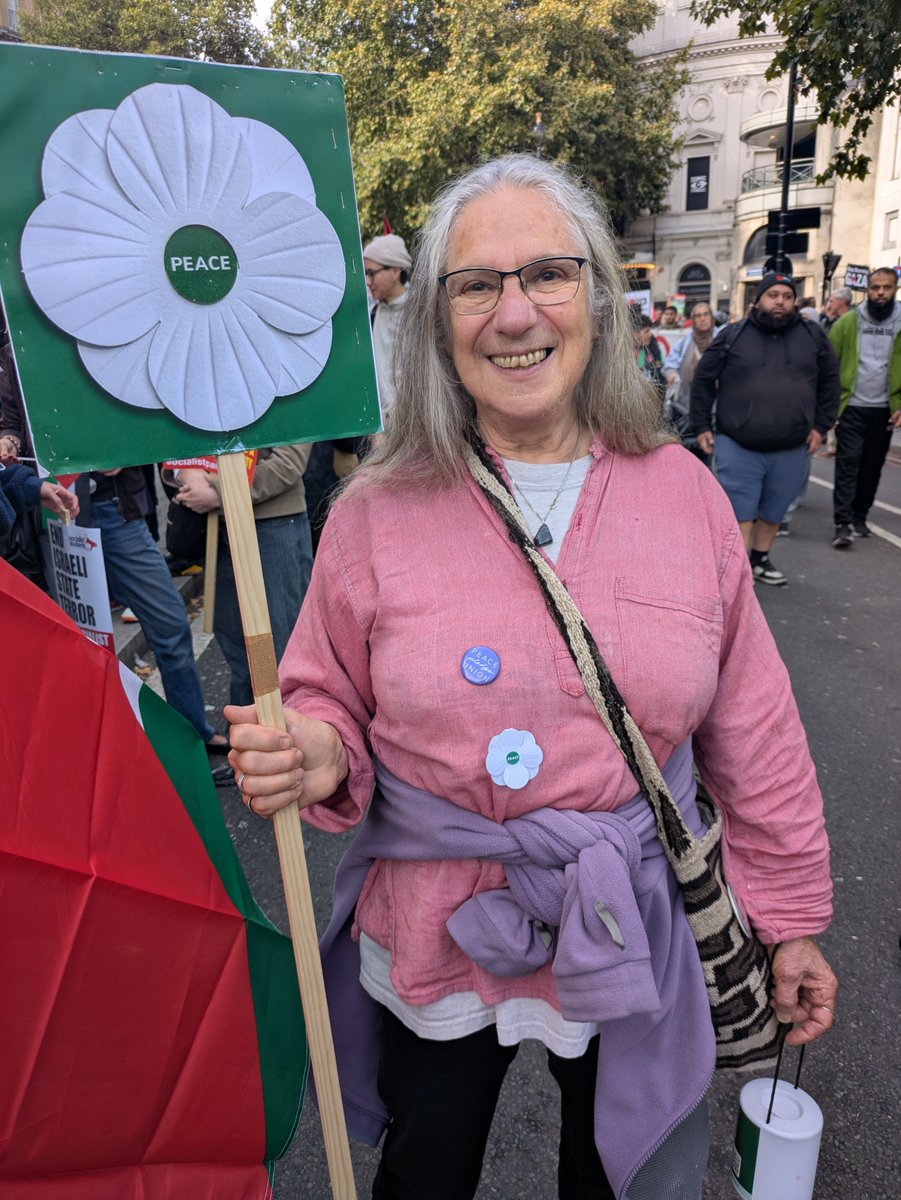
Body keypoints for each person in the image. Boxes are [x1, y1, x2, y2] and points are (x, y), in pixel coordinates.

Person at [227, 156, 837, 1200]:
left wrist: (789, 919)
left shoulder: (684, 498)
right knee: (426, 1166)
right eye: (476, 284)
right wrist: (316, 747)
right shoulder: (375, 510)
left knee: (616, 1178)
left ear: (596, 299)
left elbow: (754, 725)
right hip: (437, 912)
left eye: (547, 274)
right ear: (436, 319)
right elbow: (322, 687)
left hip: (629, 911)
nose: (514, 314)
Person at [1, 394, 227, 755]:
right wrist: (10, 440)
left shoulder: (111, 336)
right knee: (73, 643)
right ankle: (99, 756)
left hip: (115, 511)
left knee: (169, 623)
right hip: (51, 513)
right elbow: (13, 418)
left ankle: (192, 740)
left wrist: (124, 445)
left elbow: (150, 409)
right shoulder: (18, 348)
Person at [690, 272, 840, 585]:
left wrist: (821, 426)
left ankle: (760, 560)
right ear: (758, 300)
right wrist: (702, 424)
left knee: (774, 510)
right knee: (741, 511)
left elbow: (830, 383)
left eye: (787, 296)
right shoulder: (733, 334)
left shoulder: (813, 336)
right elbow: (704, 379)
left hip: (792, 446)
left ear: (794, 301)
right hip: (738, 442)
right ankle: (739, 575)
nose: (780, 302)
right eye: (773, 295)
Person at [171, 444, 314, 706]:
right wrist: (185, 471)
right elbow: (175, 437)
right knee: (240, 653)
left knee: (279, 656)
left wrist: (220, 491)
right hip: (217, 528)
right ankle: (248, 734)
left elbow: (290, 461)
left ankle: (289, 734)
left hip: (273, 527)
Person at [828, 266, 901, 547]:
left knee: (872, 466)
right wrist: (831, 406)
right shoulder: (847, 323)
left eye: (887, 288)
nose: (881, 293)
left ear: (895, 289)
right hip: (852, 405)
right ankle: (842, 523)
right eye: (875, 288)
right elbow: (830, 365)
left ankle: (860, 516)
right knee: (848, 463)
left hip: (885, 408)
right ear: (867, 290)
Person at [363, 233, 412, 425]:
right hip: (382, 433)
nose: (368, 281)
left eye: (372, 273)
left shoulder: (425, 314)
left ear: (396, 270)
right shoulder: (370, 316)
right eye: (366, 274)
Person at [664, 301, 718, 466]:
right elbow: (670, 365)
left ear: (712, 317)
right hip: (687, 408)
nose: (702, 319)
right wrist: (671, 374)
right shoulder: (684, 342)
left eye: (706, 314)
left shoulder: (722, 338)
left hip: (716, 410)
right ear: (693, 320)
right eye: (698, 316)